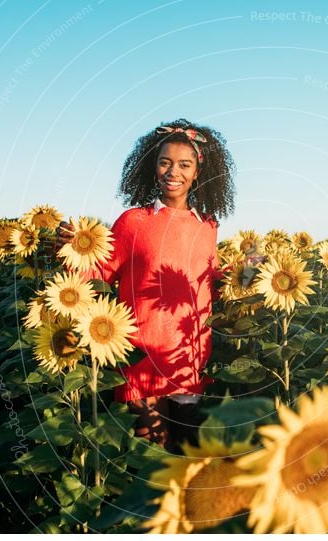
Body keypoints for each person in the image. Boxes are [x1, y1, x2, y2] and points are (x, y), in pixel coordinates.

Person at [62, 118, 236, 453]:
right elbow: (100, 272)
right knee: (151, 458)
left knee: (187, 458)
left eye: (184, 164)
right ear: (152, 167)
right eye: (165, 162)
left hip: (188, 357)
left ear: (198, 172)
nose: (174, 172)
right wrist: (73, 249)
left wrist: (244, 275)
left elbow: (206, 279)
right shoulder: (134, 222)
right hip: (141, 356)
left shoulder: (208, 226)